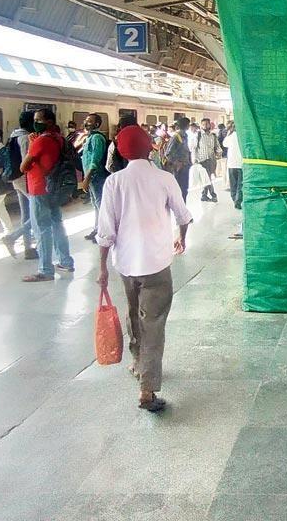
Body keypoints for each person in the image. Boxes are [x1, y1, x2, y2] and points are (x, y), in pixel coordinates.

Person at [96, 125, 192, 413]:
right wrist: (181, 237)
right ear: (149, 147)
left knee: (134, 314)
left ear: (123, 151)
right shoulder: (164, 178)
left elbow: (105, 231)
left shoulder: (114, 182)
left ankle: (138, 363)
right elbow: (183, 216)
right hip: (157, 264)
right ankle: (147, 390)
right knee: (153, 324)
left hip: (126, 265)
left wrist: (101, 267)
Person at [20, 107, 74, 282]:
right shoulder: (59, 138)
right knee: (57, 224)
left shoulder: (39, 141)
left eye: (39, 120)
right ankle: (65, 261)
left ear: (49, 121)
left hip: (39, 188)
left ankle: (45, 270)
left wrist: (31, 145)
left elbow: (23, 167)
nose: (35, 123)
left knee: (41, 229)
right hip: (54, 188)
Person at [1, 111, 38, 260]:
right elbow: (26, 163)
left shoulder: (13, 137)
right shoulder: (25, 139)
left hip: (16, 180)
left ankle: (28, 248)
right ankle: (12, 237)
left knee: (26, 213)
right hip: (25, 179)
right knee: (40, 211)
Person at [79, 113, 109, 242]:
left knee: (100, 204)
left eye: (90, 121)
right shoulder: (89, 137)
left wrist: (87, 177)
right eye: (86, 121)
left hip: (97, 176)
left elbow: (95, 160)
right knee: (95, 204)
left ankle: (103, 232)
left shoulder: (97, 138)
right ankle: (97, 229)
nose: (86, 123)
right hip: (90, 177)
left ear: (97, 124)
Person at [163, 117, 193, 201]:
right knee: (180, 189)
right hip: (179, 167)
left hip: (185, 166)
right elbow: (168, 153)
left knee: (184, 188)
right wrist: (176, 163)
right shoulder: (176, 136)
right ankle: (180, 208)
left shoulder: (184, 136)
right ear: (187, 126)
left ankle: (183, 206)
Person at [193, 117, 220, 202]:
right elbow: (194, 148)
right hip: (202, 160)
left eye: (207, 124)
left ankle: (204, 195)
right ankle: (213, 195)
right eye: (203, 124)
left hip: (211, 160)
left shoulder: (213, 136)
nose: (205, 126)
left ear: (210, 125)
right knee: (207, 178)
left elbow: (217, 147)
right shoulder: (198, 135)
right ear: (201, 125)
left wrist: (219, 153)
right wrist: (194, 160)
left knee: (207, 178)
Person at [224, 121, 243, 210]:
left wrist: (228, 133)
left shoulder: (230, 136)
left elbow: (224, 144)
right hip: (241, 164)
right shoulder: (243, 137)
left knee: (233, 184)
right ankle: (238, 200)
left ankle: (234, 198)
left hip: (231, 164)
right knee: (240, 184)